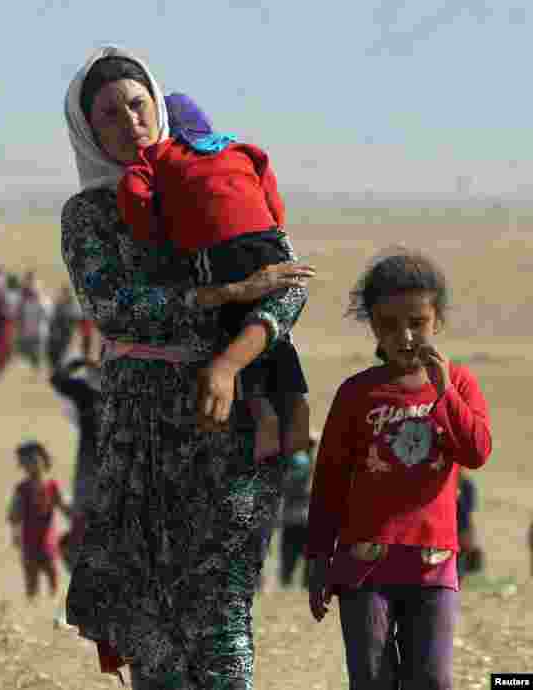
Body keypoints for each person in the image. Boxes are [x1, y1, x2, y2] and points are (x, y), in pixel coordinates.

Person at [61, 46, 315, 687]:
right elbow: (114, 309)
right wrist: (219, 295)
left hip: (226, 425)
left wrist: (231, 358)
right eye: (110, 116)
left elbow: (286, 284)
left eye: (138, 105)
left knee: (220, 607)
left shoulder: (210, 176)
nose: (130, 123)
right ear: (89, 130)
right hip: (136, 436)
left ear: (158, 105)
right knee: (148, 618)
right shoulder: (89, 214)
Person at [306, 250, 492, 690]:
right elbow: (330, 480)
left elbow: (476, 452)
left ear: (437, 320)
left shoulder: (460, 385)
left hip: (433, 565)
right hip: (364, 566)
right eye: (388, 325)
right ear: (372, 325)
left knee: (433, 679)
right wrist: (318, 558)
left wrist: (445, 392)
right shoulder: (357, 393)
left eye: (417, 322)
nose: (405, 336)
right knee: (371, 679)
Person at [116, 92, 311, 464]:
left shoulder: (159, 155)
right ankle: (297, 415)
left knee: (232, 324)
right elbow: (272, 196)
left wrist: (160, 232)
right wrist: (270, 230)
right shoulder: (242, 149)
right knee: (276, 334)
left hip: (218, 250)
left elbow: (134, 194)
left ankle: (263, 417)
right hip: (267, 241)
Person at [49, 358, 101, 572]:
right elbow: (57, 379)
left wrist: (80, 364)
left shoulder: (88, 394)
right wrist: (80, 362)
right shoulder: (86, 393)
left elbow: (57, 379)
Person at [8, 441, 71, 601]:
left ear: (44, 460)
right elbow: (14, 514)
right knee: (31, 578)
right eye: (27, 462)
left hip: (48, 541)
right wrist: (15, 534)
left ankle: (53, 603)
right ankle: (32, 604)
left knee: (52, 575)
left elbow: (64, 507)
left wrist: (76, 518)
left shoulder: (52, 486)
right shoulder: (21, 489)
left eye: (35, 461)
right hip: (29, 542)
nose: (32, 466)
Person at [278, 433, 317, 588]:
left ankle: (291, 586)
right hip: (300, 517)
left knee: (292, 560)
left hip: (297, 518)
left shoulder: (299, 461)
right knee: (299, 560)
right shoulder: (301, 461)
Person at [456, 470, 483, 579]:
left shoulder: (467, 485)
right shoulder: (466, 484)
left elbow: (468, 513)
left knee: (459, 569)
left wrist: (470, 536)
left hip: (462, 531)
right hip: (449, 533)